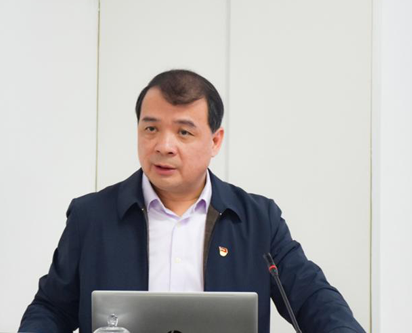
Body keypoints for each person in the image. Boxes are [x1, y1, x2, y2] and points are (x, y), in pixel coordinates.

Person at [19, 69, 365, 333]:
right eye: (151, 129)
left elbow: (312, 299)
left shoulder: (258, 219)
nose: (164, 146)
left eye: (184, 132)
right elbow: (52, 308)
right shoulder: (92, 216)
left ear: (215, 141)